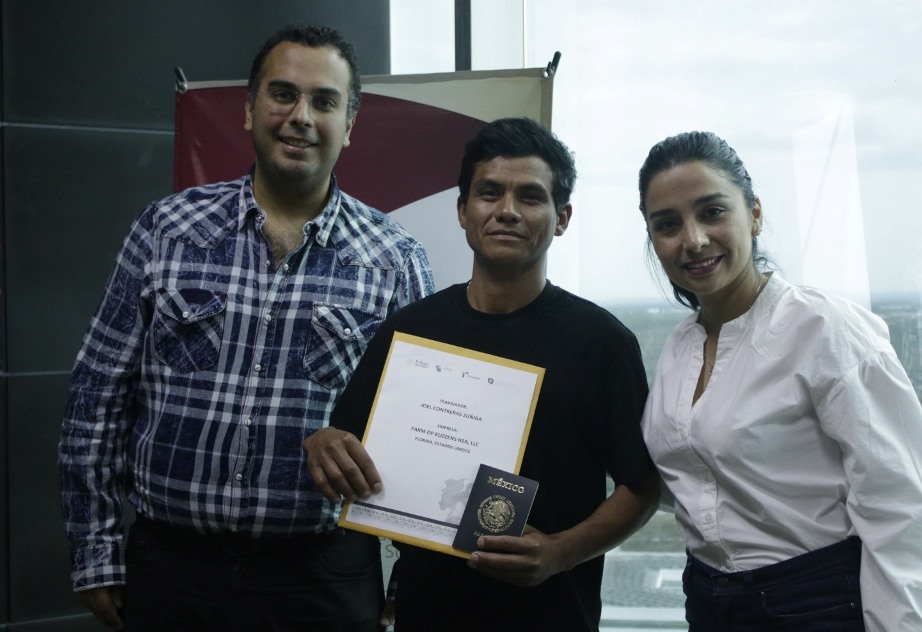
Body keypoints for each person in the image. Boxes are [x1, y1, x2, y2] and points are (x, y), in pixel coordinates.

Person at [58, 24, 434, 632]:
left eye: (324, 101)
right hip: (172, 572)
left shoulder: (396, 261)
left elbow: (422, 436)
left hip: (323, 582)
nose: (300, 116)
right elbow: (96, 397)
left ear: (349, 124)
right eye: (283, 94)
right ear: (249, 108)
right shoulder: (166, 231)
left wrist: (411, 580)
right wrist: (94, 551)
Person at [304, 117, 660, 631]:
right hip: (426, 615)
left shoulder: (603, 343)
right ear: (462, 211)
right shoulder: (410, 331)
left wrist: (560, 552)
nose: (507, 211)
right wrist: (324, 442)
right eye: (489, 193)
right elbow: (345, 441)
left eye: (530, 197)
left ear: (562, 218)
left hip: (553, 617)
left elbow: (642, 488)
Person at [636, 130, 922, 630]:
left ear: (754, 214)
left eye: (712, 211)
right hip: (707, 598)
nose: (693, 239)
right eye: (667, 224)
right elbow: (689, 479)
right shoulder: (680, 348)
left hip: (814, 601)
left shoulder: (825, 330)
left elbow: (906, 508)